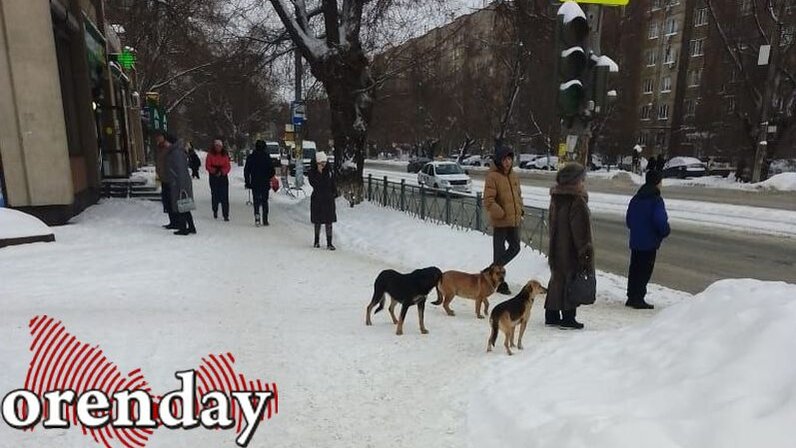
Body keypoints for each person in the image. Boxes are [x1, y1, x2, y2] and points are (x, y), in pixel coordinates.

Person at [545, 163, 593, 330]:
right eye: (582, 179)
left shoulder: (556, 197)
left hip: (556, 246)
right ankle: (568, 317)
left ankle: (551, 314)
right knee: (570, 280)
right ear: (575, 180)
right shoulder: (577, 200)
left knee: (557, 279)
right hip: (571, 249)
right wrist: (585, 253)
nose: (583, 182)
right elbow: (581, 232)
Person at [625, 169, 670, 309]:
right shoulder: (656, 200)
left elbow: (629, 219)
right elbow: (660, 220)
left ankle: (631, 296)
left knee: (634, 269)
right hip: (649, 241)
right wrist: (664, 231)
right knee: (644, 271)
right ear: (657, 182)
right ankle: (638, 298)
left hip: (636, 240)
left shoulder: (637, 198)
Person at [483, 145, 523, 295]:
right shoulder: (493, 176)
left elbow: (518, 196)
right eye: (504, 159)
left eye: (509, 159)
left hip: (513, 220)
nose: (507, 162)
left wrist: (521, 210)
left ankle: (490, 271)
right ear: (499, 160)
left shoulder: (514, 176)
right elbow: (488, 200)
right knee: (499, 252)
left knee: (515, 247)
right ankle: (500, 283)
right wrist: (501, 213)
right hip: (500, 221)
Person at [166, 136, 196, 235]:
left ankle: (183, 228)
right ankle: (191, 227)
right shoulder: (177, 151)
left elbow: (180, 169)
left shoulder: (176, 153)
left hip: (179, 183)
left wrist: (181, 185)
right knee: (184, 205)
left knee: (181, 204)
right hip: (179, 182)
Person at [244, 140, 276, 227]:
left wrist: (247, 182)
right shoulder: (267, 157)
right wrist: (269, 176)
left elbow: (247, 170)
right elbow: (272, 171)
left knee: (256, 201)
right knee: (265, 201)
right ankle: (265, 219)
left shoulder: (251, 157)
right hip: (265, 182)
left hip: (255, 182)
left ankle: (257, 217)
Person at [308, 151, 337, 250]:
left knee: (329, 221)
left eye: (325, 162)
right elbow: (314, 184)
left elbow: (332, 183)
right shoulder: (312, 172)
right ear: (317, 163)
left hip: (328, 199)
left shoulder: (329, 171)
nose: (323, 164)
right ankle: (316, 241)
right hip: (317, 199)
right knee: (318, 221)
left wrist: (334, 193)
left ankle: (329, 243)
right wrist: (319, 173)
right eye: (321, 162)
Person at [154, 129, 178, 229]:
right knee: (167, 201)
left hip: (170, 178)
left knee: (172, 200)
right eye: (157, 137)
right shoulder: (159, 148)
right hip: (163, 177)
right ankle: (172, 221)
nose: (158, 138)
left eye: (160, 136)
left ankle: (177, 222)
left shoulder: (169, 148)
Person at [205, 137, 231, 221]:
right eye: (216, 146)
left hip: (223, 176)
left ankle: (225, 214)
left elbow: (228, 166)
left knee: (224, 196)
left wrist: (222, 172)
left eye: (219, 146)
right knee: (215, 194)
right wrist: (214, 171)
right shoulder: (210, 155)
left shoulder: (225, 155)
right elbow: (207, 166)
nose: (218, 148)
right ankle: (215, 210)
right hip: (213, 176)